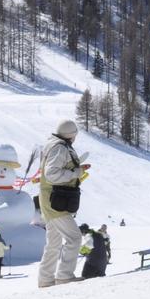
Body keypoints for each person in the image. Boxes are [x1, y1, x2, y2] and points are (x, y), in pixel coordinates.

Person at [38, 119, 91, 288]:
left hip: (49, 198)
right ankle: (64, 276)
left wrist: (76, 170)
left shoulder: (52, 145)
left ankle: (45, 279)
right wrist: (77, 172)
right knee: (74, 237)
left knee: (53, 242)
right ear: (71, 135)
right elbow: (52, 174)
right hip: (55, 200)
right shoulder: (60, 148)